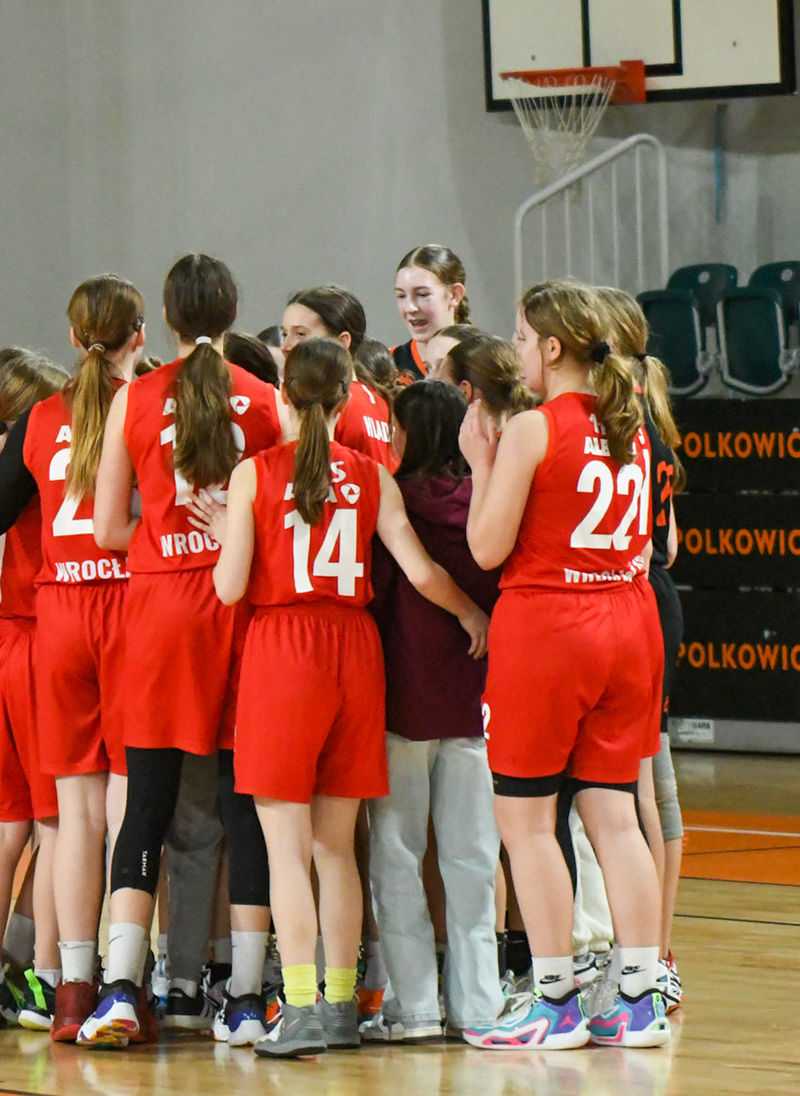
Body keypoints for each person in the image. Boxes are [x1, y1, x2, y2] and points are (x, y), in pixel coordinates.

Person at [198, 338, 486, 1060]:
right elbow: (421, 572)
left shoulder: (254, 474)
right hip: (354, 652)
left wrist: (227, 535)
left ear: (282, 397)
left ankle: (296, 1008)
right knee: (335, 850)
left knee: (286, 851)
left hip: (283, 651)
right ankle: (338, 1007)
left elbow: (229, 589)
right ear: (347, 396)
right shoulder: (372, 474)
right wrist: (472, 614)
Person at [458, 280, 670, 1051]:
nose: (516, 351)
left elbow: (487, 549)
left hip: (551, 625)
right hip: (629, 619)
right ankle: (640, 997)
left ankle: (554, 1003)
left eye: (521, 338)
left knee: (525, 820)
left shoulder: (532, 427)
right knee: (614, 814)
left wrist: (480, 462)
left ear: (552, 348)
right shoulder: (630, 420)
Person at [83, 255, 281, 1048]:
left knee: (146, 806)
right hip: (238, 608)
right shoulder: (265, 399)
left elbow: (107, 528)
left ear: (163, 319)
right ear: (234, 312)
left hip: (159, 610)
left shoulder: (132, 397)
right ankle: (245, 997)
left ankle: (119, 989)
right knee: (244, 804)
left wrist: (164, 537)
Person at [0, 274, 144, 1043]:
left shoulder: (41, 416)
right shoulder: (148, 403)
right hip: (131, 608)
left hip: (60, 617)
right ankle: (127, 982)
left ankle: (70, 989)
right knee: (130, 806)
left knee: (72, 817)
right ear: (140, 336)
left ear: (73, 339)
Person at [364, 379, 503, 1043]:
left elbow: (377, 591)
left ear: (409, 434)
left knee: (397, 857)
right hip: (473, 703)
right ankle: (479, 1006)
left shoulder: (394, 501)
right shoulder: (485, 502)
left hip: (403, 703)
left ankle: (414, 1008)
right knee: (473, 863)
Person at [0, 348, 68, 1030]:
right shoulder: (37, 481)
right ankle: (49, 979)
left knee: (4, 828)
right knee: (56, 826)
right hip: (35, 644)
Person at [599, 288, 687, 1012]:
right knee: (649, 786)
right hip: (651, 589)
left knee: (638, 790)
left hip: (628, 596)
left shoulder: (610, 417)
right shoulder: (647, 409)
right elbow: (672, 543)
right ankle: (655, 955)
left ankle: (649, 960)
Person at [280, 285, 397, 469]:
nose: (286, 346)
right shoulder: (379, 400)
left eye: (301, 334)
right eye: (284, 334)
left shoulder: (332, 401)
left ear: (342, 342)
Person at [391, 246, 472, 380]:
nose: (410, 308)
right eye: (401, 296)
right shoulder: (389, 365)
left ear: (455, 294)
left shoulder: (485, 362)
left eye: (422, 294)